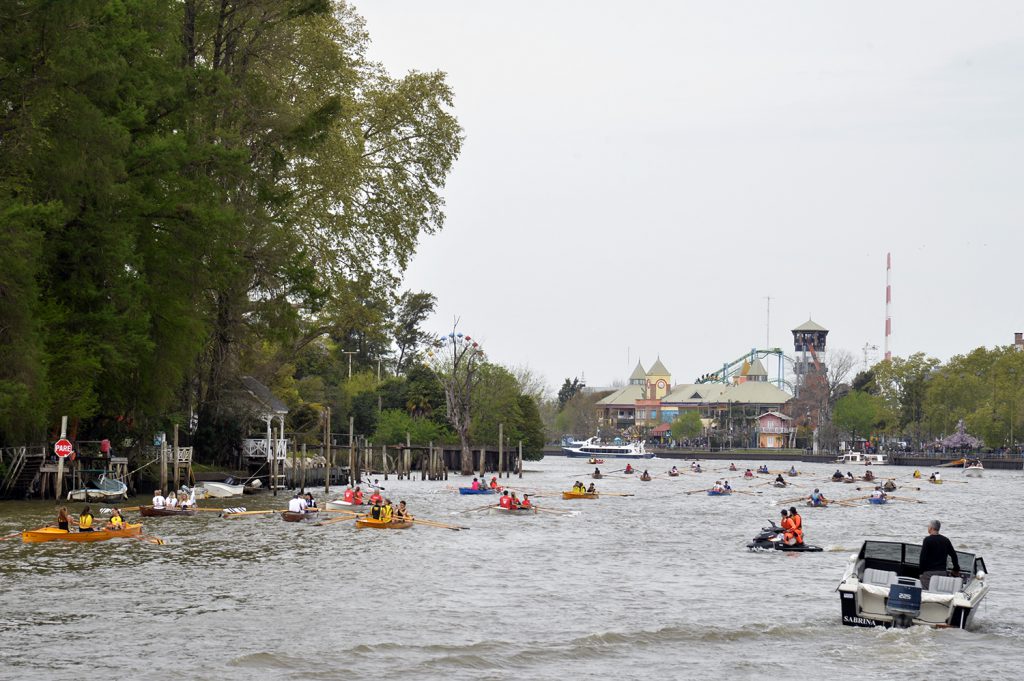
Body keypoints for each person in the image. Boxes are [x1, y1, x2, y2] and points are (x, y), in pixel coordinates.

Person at [919, 520, 961, 589]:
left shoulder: (927, 540)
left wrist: (921, 573)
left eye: (928, 526)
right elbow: (954, 555)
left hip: (929, 574)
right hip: (942, 573)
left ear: (931, 528)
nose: (928, 528)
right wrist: (956, 568)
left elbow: (922, 558)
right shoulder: (946, 540)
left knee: (925, 590)